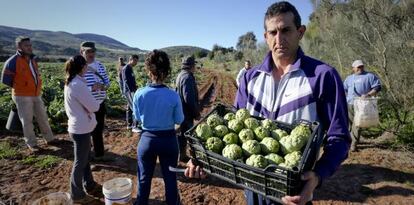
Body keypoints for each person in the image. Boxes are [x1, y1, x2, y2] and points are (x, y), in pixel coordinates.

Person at [186, 2, 351, 205]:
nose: (279, 39)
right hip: (252, 189)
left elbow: (340, 137)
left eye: (286, 30)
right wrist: (203, 158)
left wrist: (317, 176)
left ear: (300, 32)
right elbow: (232, 129)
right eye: (272, 32)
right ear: (266, 37)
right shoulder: (250, 77)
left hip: (292, 192)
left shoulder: (322, 76)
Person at [132, 50, 184, 205]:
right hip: (168, 140)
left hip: (147, 140)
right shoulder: (173, 95)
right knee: (170, 179)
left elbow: (137, 118)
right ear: (167, 72)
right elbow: (179, 120)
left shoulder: (139, 94)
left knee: (144, 178)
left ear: (148, 71)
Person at [1, 36, 55, 152]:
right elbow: (6, 80)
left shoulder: (32, 59)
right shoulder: (12, 61)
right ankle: (32, 143)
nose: (30, 47)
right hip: (22, 95)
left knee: (43, 117)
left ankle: (49, 139)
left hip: (36, 94)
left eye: (30, 45)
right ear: (19, 47)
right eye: (27, 45)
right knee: (27, 120)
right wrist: (22, 87)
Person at [64, 55, 100, 203]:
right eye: (85, 65)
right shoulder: (78, 85)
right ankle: (77, 194)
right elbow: (94, 106)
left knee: (84, 159)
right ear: (82, 67)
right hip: (81, 129)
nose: (87, 68)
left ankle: (89, 184)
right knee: (80, 162)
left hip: (77, 126)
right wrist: (94, 96)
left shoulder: (72, 82)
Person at [80, 41, 110, 160]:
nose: (91, 54)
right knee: (86, 130)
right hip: (86, 104)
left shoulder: (100, 66)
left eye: (93, 51)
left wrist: (103, 87)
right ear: (81, 52)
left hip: (100, 102)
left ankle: (99, 154)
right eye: (88, 51)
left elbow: (107, 83)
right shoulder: (79, 67)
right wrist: (91, 88)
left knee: (98, 129)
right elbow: (74, 86)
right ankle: (86, 157)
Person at [343, 60, 381, 151]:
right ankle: (347, 143)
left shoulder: (369, 76)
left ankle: (353, 145)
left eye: (361, 66)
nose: (360, 68)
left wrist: (368, 94)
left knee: (358, 124)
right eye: (358, 67)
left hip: (362, 104)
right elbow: (344, 89)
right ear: (353, 68)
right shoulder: (349, 78)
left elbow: (377, 87)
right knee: (349, 124)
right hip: (349, 103)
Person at [175, 55, 201, 162]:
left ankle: (181, 155)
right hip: (186, 113)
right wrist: (196, 113)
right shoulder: (187, 77)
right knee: (187, 134)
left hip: (180, 111)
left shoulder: (180, 75)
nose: (195, 67)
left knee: (181, 134)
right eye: (194, 65)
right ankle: (185, 156)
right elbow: (189, 99)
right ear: (191, 66)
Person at [119, 55, 139, 129]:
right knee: (134, 107)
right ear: (130, 60)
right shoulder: (126, 68)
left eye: (137, 61)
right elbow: (126, 81)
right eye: (135, 61)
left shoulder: (130, 68)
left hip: (130, 90)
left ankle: (129, 124)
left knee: (130, 108)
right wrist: (132, 91)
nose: (136, 62)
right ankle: (134, 126)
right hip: (129, 91)